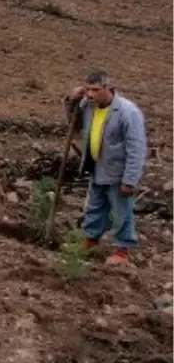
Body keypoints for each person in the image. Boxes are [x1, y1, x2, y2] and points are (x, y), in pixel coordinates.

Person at [66, 70, 148, 266]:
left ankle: (121, 249)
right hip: (96, 166)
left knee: (121, 211)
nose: (90, 94)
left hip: (118, 171)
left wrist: (130, 180)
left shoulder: (128, 113)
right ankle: (91, 239)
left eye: (95, 90)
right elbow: (73, 125)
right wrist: (72, 101)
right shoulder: (87, 106)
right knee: (94, 206)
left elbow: (137, 148)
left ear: (109, 89)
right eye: (87, 90)